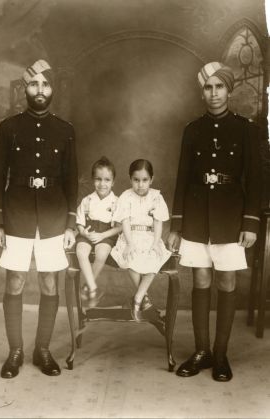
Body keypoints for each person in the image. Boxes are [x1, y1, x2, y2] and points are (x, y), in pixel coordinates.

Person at [168, 62, 261, 381]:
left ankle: (221, 354)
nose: (214, 93)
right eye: (208, 87)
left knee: (227, 282)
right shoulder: (192, 130)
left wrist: (250, 222)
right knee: (201, 281)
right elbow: (181, 178)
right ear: (202, 92)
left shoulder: (247, 129)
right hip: (196, 216)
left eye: (219, 86)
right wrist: (176, 224)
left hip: (230, 217)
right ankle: (202, 350)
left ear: (229, 90)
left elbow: (257, 179)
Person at [0, 59, 78, 378]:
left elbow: (72, 179)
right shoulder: (9, 127)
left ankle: (43, 350)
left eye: (45, 84)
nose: (39, 90)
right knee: (15, 280)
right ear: (24, 88)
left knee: (49, 280)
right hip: (17, 212)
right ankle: (15, 351)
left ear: (52, 88)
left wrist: (70, 224)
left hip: (54, 215)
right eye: (33, 84)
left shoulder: (65, 130)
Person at [111, 159, 171, 322]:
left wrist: (156, 242)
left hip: (150, 236)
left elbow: (158, 222)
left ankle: (137, 297)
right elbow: (124, 221)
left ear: (151, 179)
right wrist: (129, 243)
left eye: (145, 180)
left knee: (154, 258)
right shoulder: (126, 196)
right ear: (130, 179)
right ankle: (143, 299)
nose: (140, 185)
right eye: (136, 180)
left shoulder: (156, 197)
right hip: (131, 235)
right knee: (130, 257)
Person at [76, 156, 121, 307]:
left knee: (101, 254)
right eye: (98, 179)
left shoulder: (117, 202)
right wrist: (83, 233)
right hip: (88, 232)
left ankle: (87, 286)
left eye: (107, 180)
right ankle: (93, 288)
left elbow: (119, 227)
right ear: (93, 180)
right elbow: (80, 223)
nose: (102, 184)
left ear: (113, 182)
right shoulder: (87, 200)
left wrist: (102, 235)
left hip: (106, 234)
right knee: (81, 251)